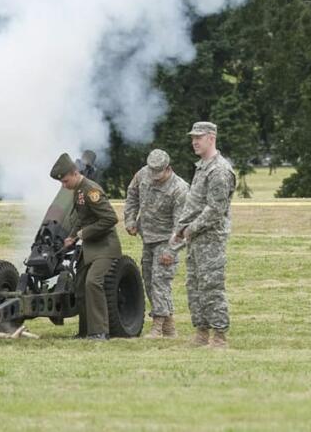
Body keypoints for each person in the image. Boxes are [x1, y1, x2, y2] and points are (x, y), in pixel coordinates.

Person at [172, 121, 237, 349]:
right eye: (192, 137)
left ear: (211, 138)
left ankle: (219, 337)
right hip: (195, 238)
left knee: (211, 286)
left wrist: (191, 228)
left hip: (210, 239)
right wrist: (181, 229)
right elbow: (194, 203)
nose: (194, 141)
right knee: (194, 286)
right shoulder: (202, 167)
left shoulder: (219, 170)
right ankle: (201, 333)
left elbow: (215, 210)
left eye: (198, 137)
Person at [51, 152, 122, 340]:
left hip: (105, 247)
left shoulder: (91, 190)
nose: (63, 185)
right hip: (90, 248)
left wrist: (83, 234)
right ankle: (85, 331)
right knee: (80, 286)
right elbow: (82, 217)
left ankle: (100, 332)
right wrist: (72, 236)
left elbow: (110, 218)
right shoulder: (78, 191)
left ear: (75, 173)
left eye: (65, 181)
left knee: (93, 282)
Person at [124, 148, 189, 338]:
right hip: (148, 238)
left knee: (160, 282)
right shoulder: (143, 174)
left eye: (157, 174)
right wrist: (130, 219)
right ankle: (169, 326)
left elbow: (181, 225)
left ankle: (158, 326)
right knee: (149, 281)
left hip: (166, 240)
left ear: (168, 168)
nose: (153, 178)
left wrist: (171, 250)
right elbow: (132, 195)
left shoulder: (180, 189)